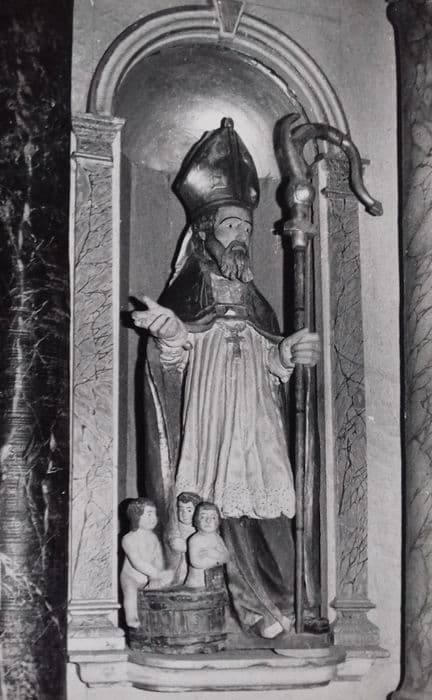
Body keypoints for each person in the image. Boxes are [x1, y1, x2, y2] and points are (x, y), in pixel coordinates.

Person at [133, 118, 321, 639]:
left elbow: (273, 365)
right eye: (231, 226)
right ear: (204, 233)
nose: (241, 237)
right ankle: (252, 610)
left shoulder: (256, 300)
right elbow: (172, 364)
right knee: (217, 507)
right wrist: (171, 332)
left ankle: (285, 602)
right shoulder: (186, 294)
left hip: (257, 420)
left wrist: (286, 353)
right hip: (212, 419)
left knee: (269, 502)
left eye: (246, 228)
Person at [120, 498, 172, 628]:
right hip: (131, 577)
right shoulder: (128, 539)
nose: (153, 518)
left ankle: (159, 617)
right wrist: (155, 573)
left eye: (155, 514)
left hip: (150, 576)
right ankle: (132, 617)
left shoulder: (153, 537)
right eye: (149, 514)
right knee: (130, 594)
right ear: (136, 516)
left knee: (167, 580)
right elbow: (137, 562)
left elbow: (158, 558)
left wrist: (157, 574)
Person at [185, 502, 229, 589]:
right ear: (196, 520)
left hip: (216, 581)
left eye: (213, 517)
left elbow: (226, 557)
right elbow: (196, 562)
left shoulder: (217, 537)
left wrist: (215, 554)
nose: (208, 521)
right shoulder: (195, 540)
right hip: (198, 583)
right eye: (203, 517)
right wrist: (217, 561)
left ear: (218, 521)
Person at [165, 491, 201, 585]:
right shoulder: (176, 526)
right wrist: (173, 540)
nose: (184, 514)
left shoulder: (199, 528)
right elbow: (171, 537)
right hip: (178, 564)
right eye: (181, 510)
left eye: (189, 510)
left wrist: (187, 546)